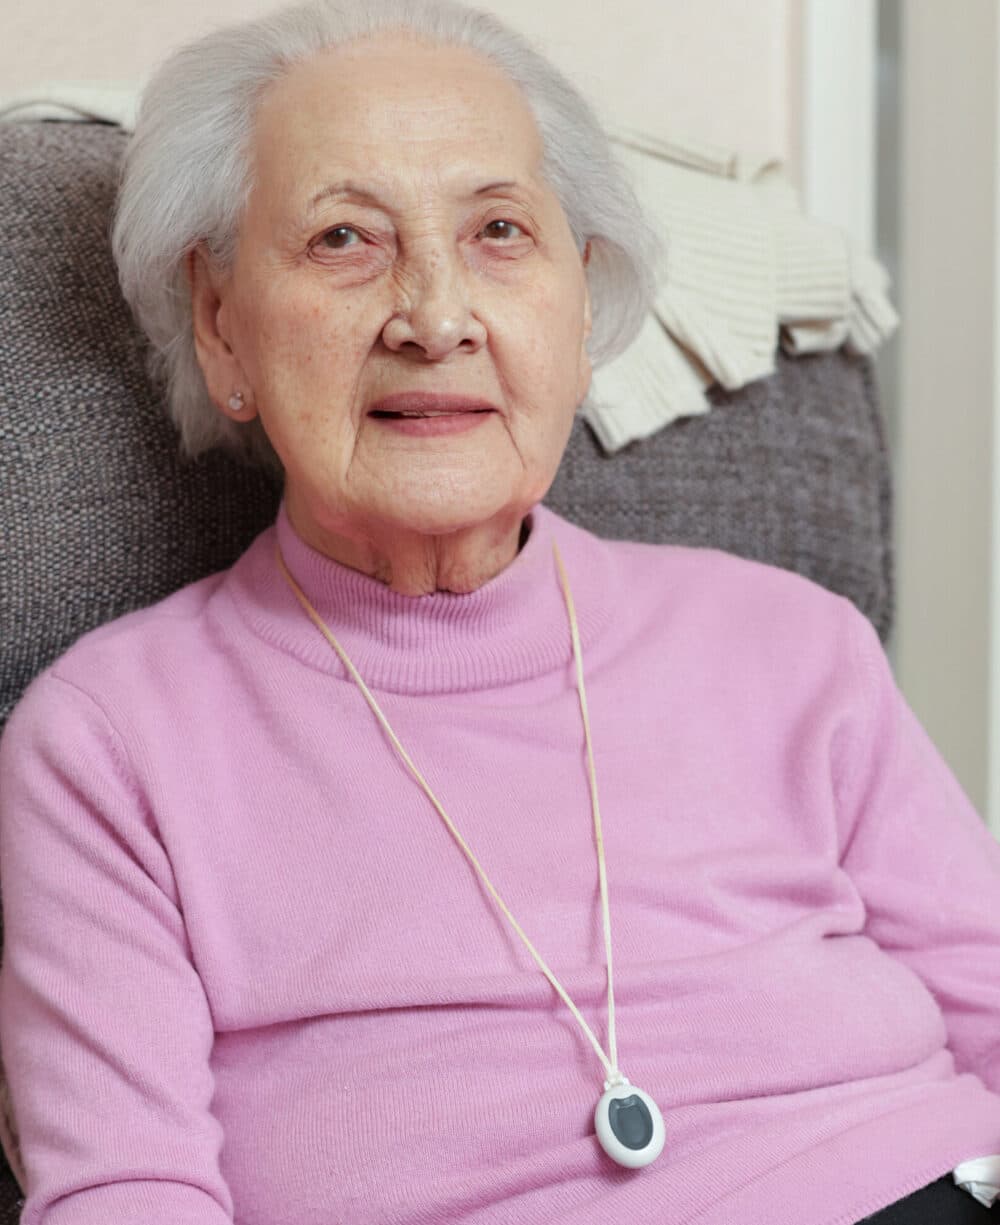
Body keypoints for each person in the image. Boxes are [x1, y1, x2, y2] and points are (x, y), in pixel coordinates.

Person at [1, 0, 998, 1221]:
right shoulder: (111, 742)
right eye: (343, 237)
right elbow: (123, 1190)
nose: (436, 316)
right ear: (221, 326)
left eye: (499, 232)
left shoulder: (795, 642)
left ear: (578, 312)